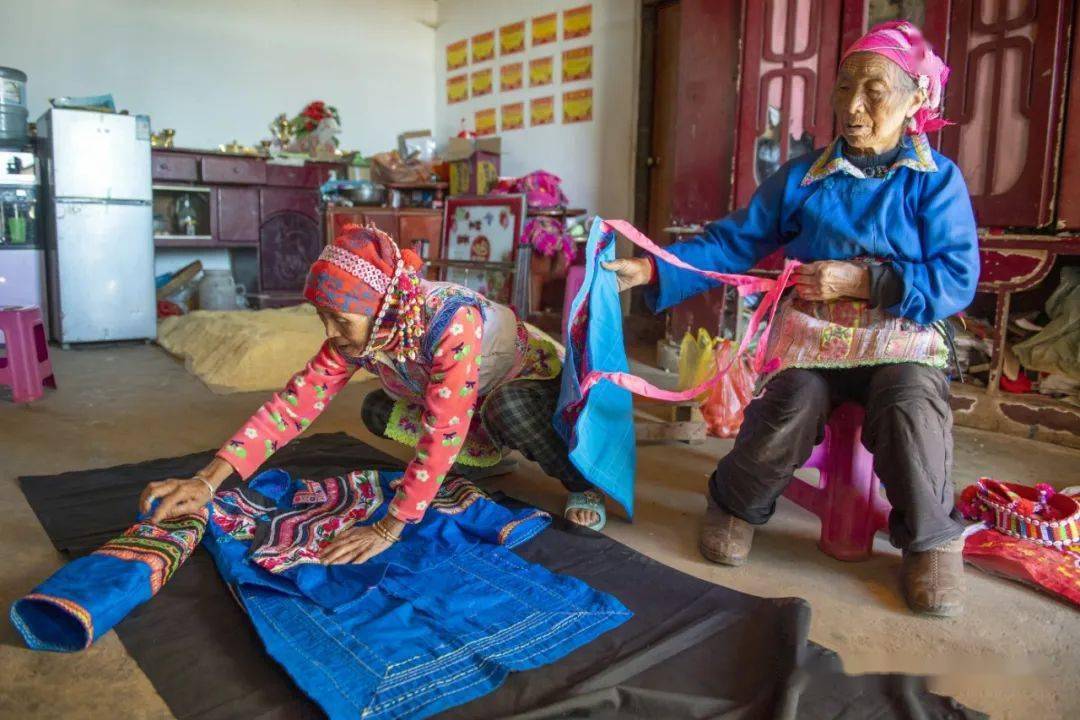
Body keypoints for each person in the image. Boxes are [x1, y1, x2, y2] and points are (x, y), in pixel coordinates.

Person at [606, 21, 978, 617]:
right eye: (844, 89)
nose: (853, 107)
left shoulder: (937, 182)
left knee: (912, 405)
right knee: (788, 405)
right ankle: (734, 505)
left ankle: (931, 541)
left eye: (875, 91)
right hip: (812, 341)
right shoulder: (804, 179)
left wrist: (865, 281)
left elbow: (957, 278)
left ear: (915, 100)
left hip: (900, 338)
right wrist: (655, 270)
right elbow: (734, 244)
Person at [140, 223, 608, 565]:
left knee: (504, 411)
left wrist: (390, 526)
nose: (331, 333)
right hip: (466, 395)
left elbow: (445, 426)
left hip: (525, 383)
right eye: (323, 317)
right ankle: (488, 450)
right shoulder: (364, 330)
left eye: (340, 320)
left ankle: (582, 481)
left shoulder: (452, 320)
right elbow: (291, 407)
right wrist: (206, 481)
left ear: (379, 308)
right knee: (379, 408)